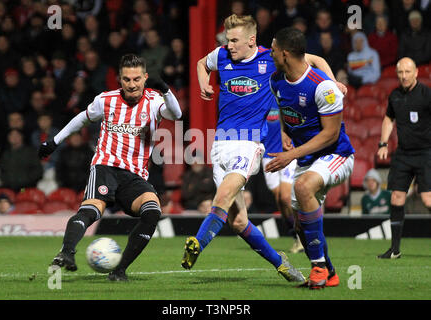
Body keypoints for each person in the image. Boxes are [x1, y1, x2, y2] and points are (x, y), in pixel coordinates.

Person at [181, 14, 306, 284]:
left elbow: (311, 60)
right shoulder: (221, 55)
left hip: (248, 144)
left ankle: (197, 244)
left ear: (251, 40)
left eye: (235, 40)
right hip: (220, 144)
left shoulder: (268, 58)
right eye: (228, 40)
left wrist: (332, 80)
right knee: (237, 222)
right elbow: (202, 63)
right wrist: (203, 81)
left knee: (223, 195)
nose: (230, 45)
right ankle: (281, 263)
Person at [39, 54, 182, 281]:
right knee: (91, 210)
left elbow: (176, 114)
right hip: (105, 166)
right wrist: (55, 141)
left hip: (135, 174)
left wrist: (165, 88)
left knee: (152, 211)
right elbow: (82, 119)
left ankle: (119, 270)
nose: (132, 84)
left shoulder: (155, 100)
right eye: (126, 79)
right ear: (120, 79)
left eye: (136, 79)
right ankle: (66, 253)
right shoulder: (106, 100)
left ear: (145, 78)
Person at [265, 27, 355, 289]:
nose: (269, 54)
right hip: (307, 160)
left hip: (336, 154)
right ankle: (331, 273)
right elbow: (285, 106)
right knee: (300, 225)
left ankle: (316, 268)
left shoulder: (323, 88)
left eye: (272, 50)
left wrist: (289, 155)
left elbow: (329, 135)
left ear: (284, 54)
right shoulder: (276, 80)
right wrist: (283, 130)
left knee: (303, 187)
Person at [377, 57, 431, 259]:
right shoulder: (395, 96)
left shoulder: (426, 94)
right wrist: (383, 143)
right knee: (396, 197)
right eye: (400, 72)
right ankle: (395, 250)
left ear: (416, 72)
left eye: (408, 72)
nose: (404, 76)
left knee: (428, 199)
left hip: (426, 152)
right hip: (403, 154)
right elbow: (389, 119)